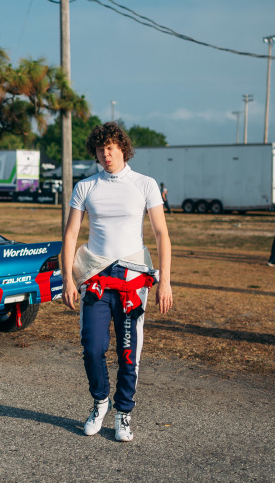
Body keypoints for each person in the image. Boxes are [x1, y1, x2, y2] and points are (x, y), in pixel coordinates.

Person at [61, 122, 173, 442]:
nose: (106, 154)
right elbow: (70, 235)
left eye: (111, 147)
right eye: (100, 149)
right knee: (92, 348)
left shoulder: (144, 184)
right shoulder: (86, 187)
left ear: (123, 148)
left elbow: (162, 235)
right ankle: (100, 402)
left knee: (129, 352)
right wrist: (69, 278)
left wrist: (164, 281)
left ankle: (123, 412)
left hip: (132, 280)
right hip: (96, 278)